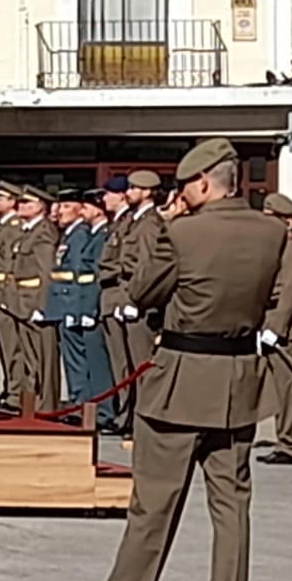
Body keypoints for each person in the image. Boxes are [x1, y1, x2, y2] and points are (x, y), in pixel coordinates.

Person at [53, 138, 291, 581]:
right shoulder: (272, 232)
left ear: (204, 183)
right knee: (232, 508)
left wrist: (167, 227)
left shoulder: (182, 233)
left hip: (183, 375)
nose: (180, 194)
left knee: (154, 506)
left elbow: (142, 291)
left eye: (186, 185)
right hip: (238, 379)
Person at [259, 192, 292, 465]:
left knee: (287, 386)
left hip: (286, 325)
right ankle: (285, 438)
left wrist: (276, 327)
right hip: (267, 318)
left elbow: (289, 292)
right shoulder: (273, 246)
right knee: (277, 386)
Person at [108, 169, 166, 430]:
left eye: (133, 188)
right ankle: (130, 416)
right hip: (125, 296)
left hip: (138, 302)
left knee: (141, 366)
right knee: (126, 365)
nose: (128, 192)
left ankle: (144, 420)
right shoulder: (133, 220)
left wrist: (134, 300)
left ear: (147, 192)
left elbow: (145, 265)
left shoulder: (150, 223)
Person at [11, 184, 61, 411]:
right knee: (30, 357)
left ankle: (47, 404)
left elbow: (46, 271)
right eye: (20, 202)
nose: (20, 206)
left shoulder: (44, 231)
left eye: (27, 203)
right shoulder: (28, 231)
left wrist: (43, 305)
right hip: (22, 300)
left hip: (35, 300)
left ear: (40, 207)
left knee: (44, 357)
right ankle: (33, 401)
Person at [46, 189, 90, 415]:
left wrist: (73, 308)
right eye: (60, 206)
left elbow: (76, 274)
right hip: (62, 303)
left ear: (80, 209)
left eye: (66, 206)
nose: (60, 211)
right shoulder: (69, 234)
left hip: (70, 303)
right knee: (71, 359)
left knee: (76, 360)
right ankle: (76, 401)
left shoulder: (80, 234)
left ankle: (80, 403)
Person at [96, 176, 134, 429]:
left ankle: (129, 415)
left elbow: (132, 262)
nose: (104, 199)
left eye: (108, 194)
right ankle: (124, 413)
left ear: (121, 195)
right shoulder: (118, 223)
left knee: (127, 364)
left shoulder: (132, 222)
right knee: (119, 362)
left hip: (122, 297)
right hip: (111, 298)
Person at [78, 189, 117, 430]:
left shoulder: (103, 235)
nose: (82, 211)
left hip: (94, 305)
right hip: (84, 304)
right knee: (89, 365)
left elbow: (96, 275)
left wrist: (90, 308)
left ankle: (104, 412)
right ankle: (92, 408)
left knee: (100, 366)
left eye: (86, 206)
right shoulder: (91, 234)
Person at [0, 181, 25, 411]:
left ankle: (16, 393)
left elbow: (12, 266)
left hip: (7, 295)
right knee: (5, 347)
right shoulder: (3, 227)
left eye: (0, 198)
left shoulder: (14, 228)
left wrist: (7, 296)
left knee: (13, 347)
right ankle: (10, 388)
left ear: (12, 202)